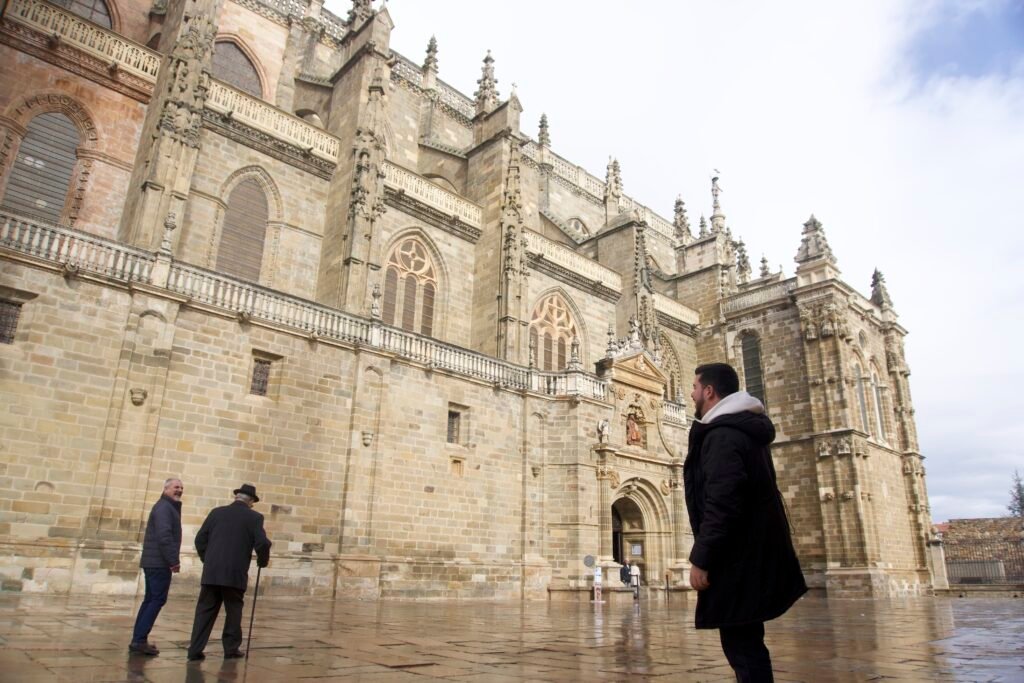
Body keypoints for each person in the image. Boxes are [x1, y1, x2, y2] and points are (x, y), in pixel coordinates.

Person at [684, 363, 807, 683]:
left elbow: (723, 502)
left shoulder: (723, 435)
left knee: (742, 649)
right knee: (748, 644)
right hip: (752, 554)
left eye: (695, 387)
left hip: (736, 559)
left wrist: (701, 557)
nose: (691, 393)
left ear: (709, 391)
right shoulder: (746, 429)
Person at [187, 484, 271, 661]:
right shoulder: (254, 517)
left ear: (236, 497)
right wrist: (263, 561)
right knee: (233, 610)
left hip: (212, 571)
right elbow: (263, 543)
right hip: (234, 572)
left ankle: (195, 649)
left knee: (205, 610)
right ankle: (231, 649)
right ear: (250, 502)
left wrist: (207, 560)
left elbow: (200, 539)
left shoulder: (216, 512)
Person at [129, 478, 183, 655]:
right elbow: (164, 536)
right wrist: (173, 560)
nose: (179, 490)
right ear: (166, 488)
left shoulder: (166, 507)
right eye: (176, 487)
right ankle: (139, 640)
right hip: (159, 563)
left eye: (181, 488)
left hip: (155, 562)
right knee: (157, 600)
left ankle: (138, 639)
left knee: (150, 599)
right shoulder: (164, 508)